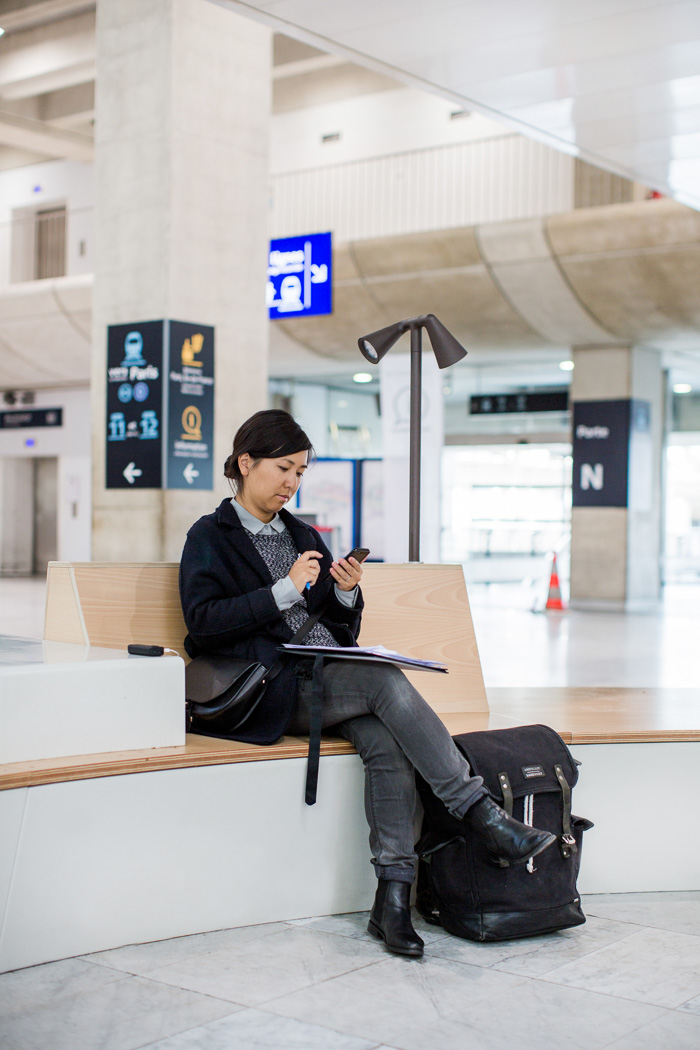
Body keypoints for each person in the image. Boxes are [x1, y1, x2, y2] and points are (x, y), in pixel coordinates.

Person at [179, 410, 555, 958]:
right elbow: (204, 622)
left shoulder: (304, 534)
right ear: (245, 463)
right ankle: (479, 813)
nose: (293, 482)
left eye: (301, 472)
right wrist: (284, 591)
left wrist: (347, 593)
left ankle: (393, 900)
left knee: (385, 742)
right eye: (284, 468)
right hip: (272, 688)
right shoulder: (211, 536)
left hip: (327, 675)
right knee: (382, 680)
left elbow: (336, 630)